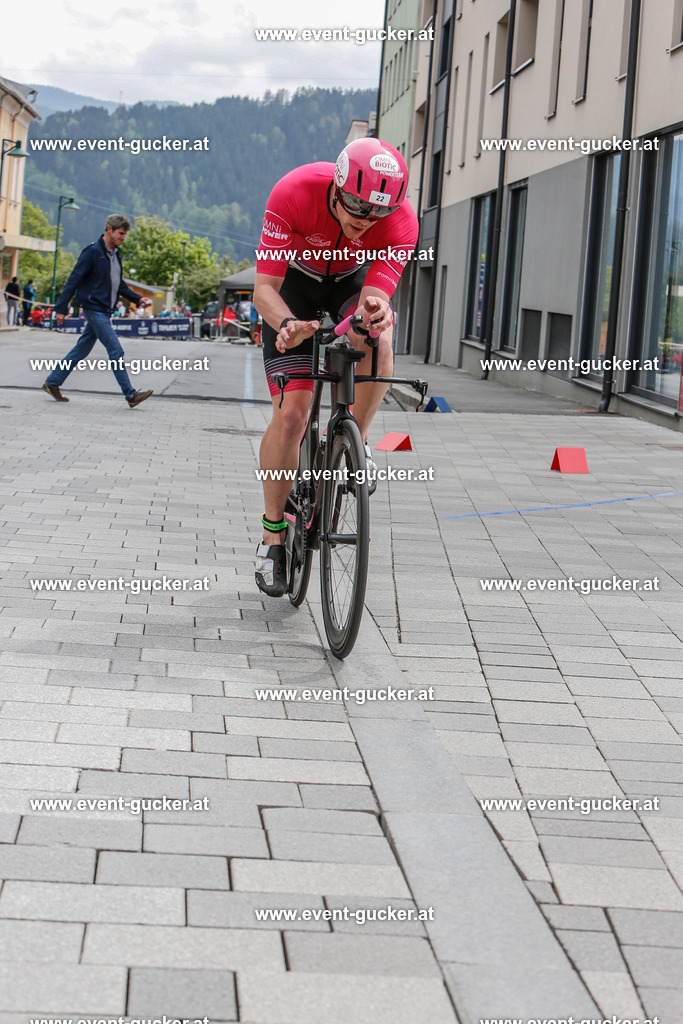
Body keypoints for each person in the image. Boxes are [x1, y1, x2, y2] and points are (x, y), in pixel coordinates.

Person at [252, 137, 418, 596]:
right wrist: (288, 325)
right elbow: (264, 289)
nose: (365, 220)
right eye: (357, 206)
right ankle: (272, 536)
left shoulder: (402, 221)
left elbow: (375, 298)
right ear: (337, 187)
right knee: (291, 416)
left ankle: (353, 441)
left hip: (350, 282)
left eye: (378, 212)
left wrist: (375, 313)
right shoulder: (294, 191)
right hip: (294, 285)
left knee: (378, 336)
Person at [42, 214, 153, 407]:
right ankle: (130, 395)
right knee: (115, 349)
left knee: (81, 350)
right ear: (109, 229)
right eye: (120, 233)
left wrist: (138, 299)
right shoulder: (93, 252)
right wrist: (60, 308)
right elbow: (73, 279)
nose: (123, 237)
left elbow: (119, 285)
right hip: (93, 308)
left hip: (104, 310)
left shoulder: (115, 255)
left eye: (124, 234)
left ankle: (52, 382)